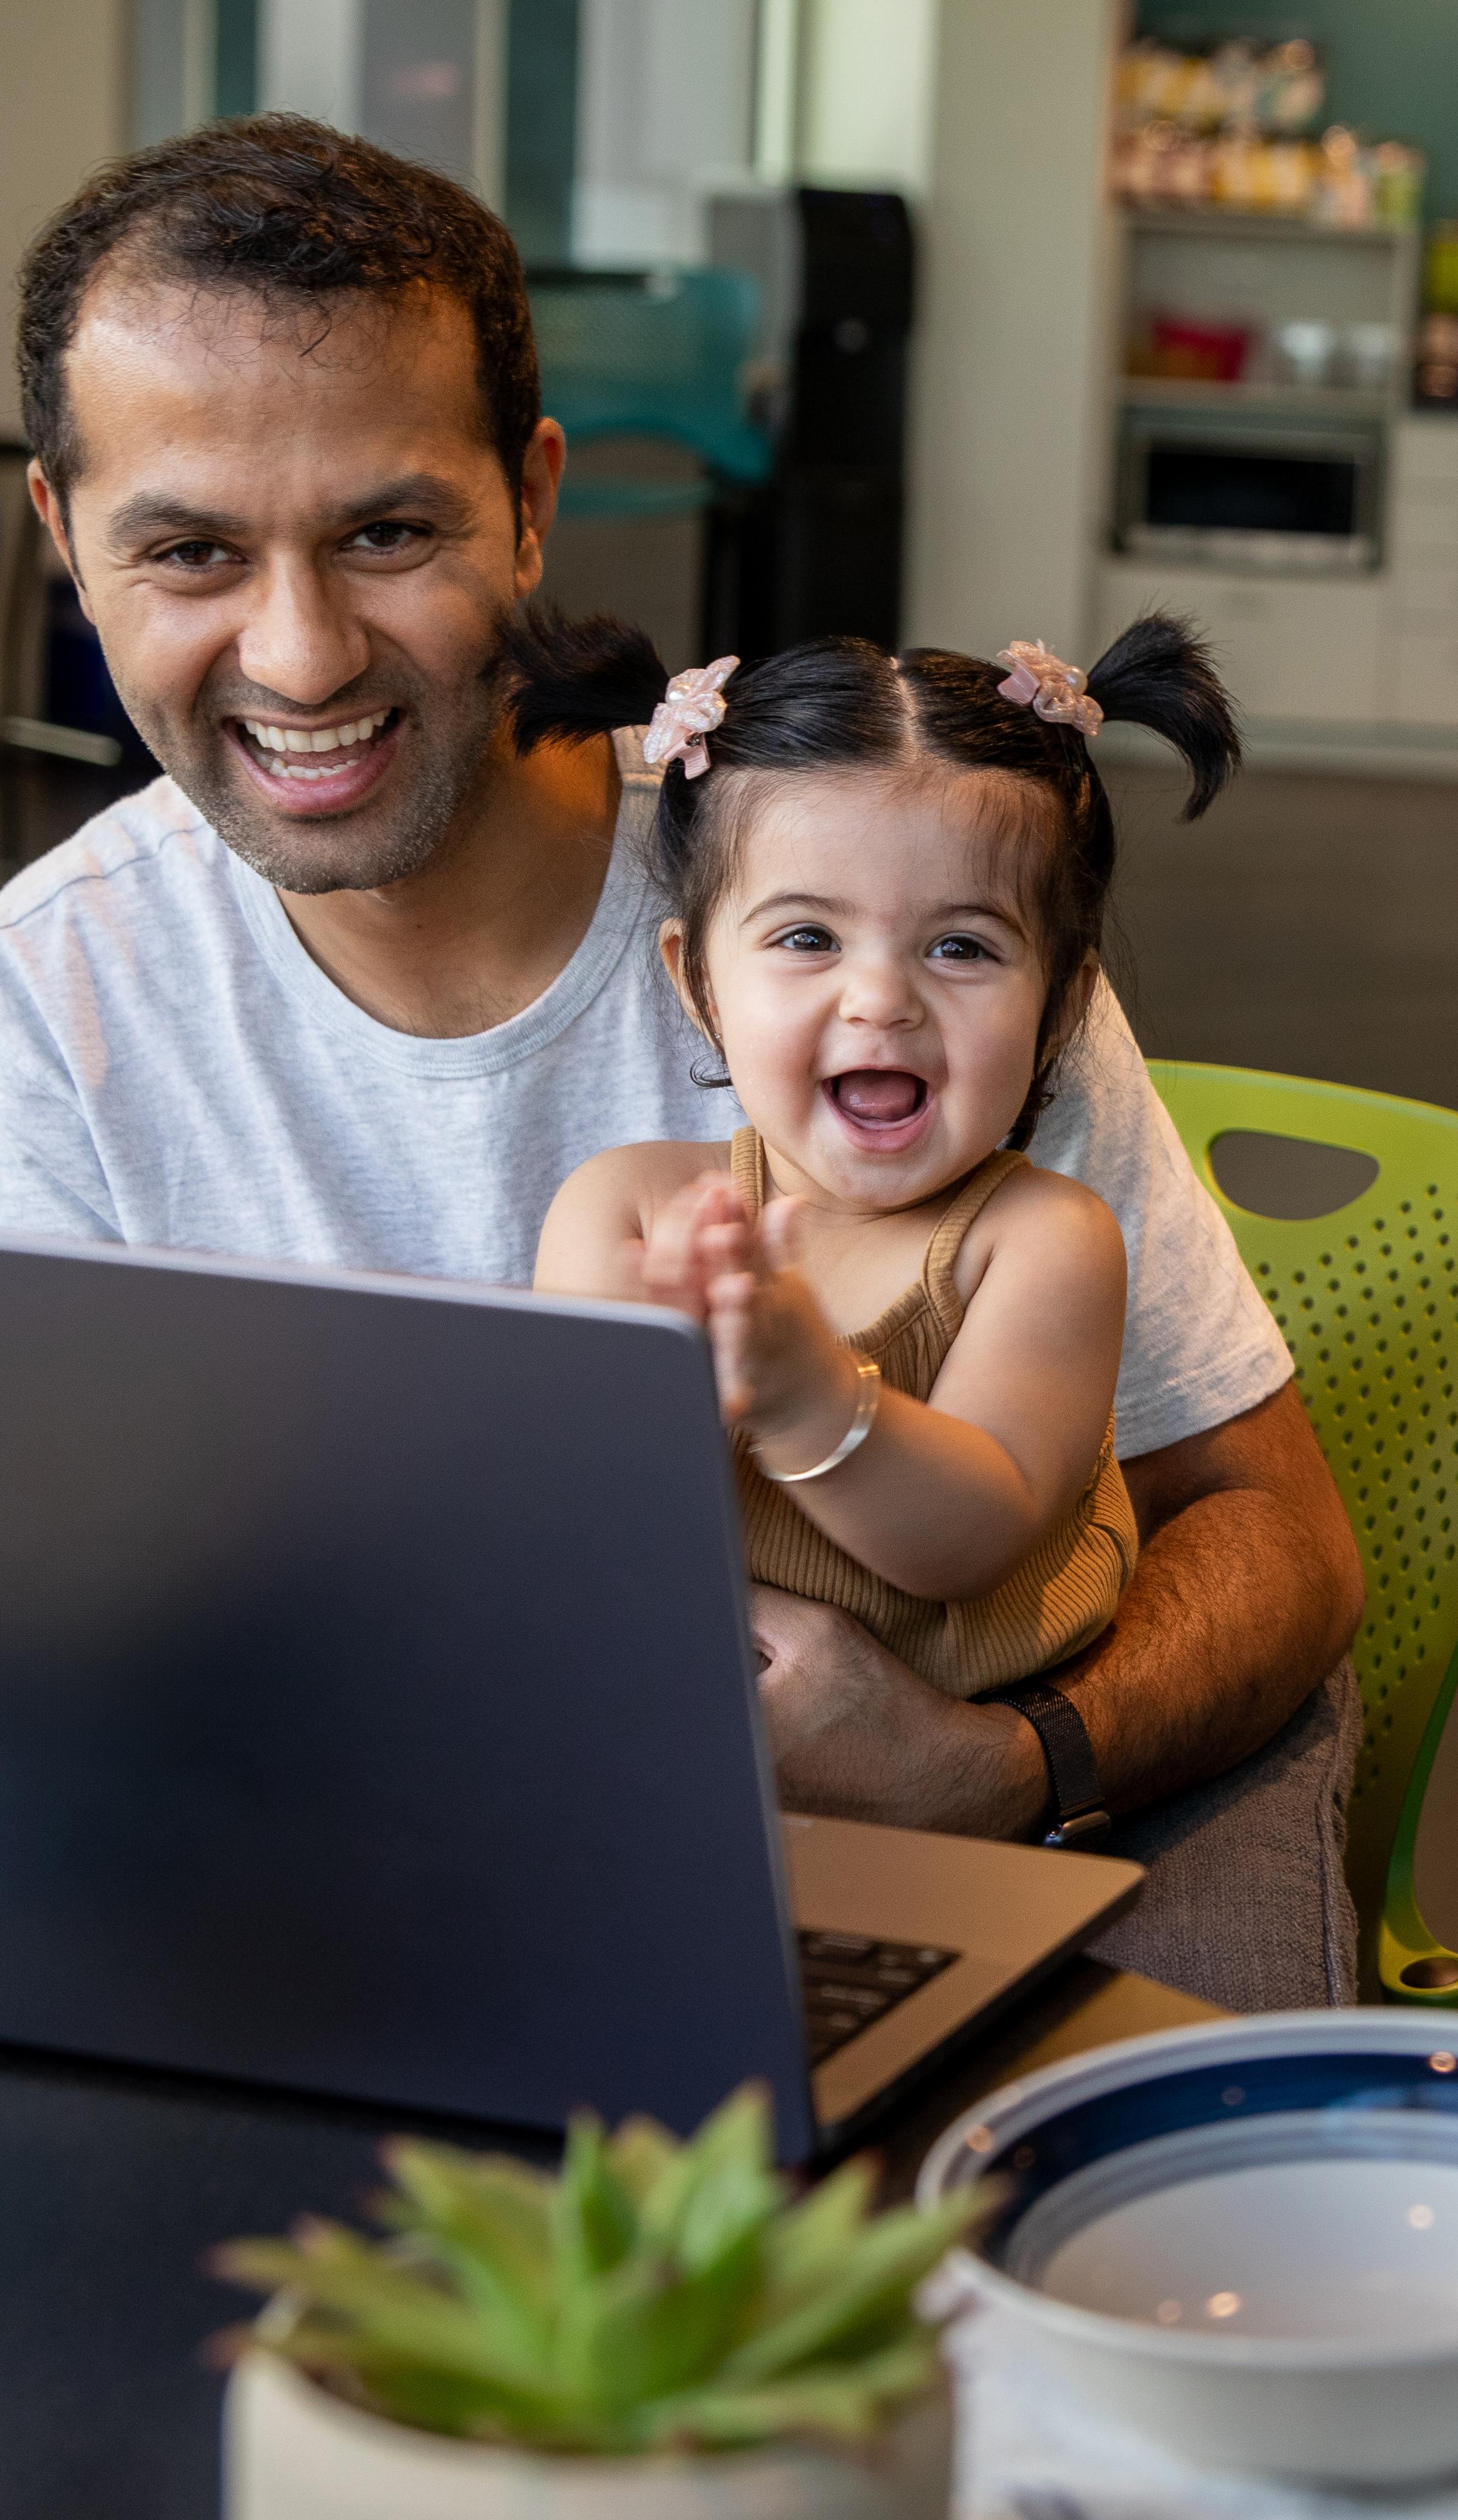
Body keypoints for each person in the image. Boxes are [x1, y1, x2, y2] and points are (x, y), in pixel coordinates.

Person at [0, 116, 1365, 2013]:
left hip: (1066, 1773)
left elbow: (1270, 1532)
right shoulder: (60, 992)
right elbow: (112, 1597)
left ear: (533, 502)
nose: (295, 655)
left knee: (1145, 2217)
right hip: (493, 1807)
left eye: (388, 532)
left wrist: (1000, 1774)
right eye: (189, 550)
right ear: (63, 536)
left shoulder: (876, 904)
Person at [527, 613, 1241, 1705]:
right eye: (807, 937)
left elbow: (964, 1545)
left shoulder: (1041, 1243)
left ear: (1062, 1008)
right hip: (700, 1721)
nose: (880, 1000)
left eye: (961, 946)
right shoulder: (629, 1213)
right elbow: (589, 1538)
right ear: (699, 986)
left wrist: (801, 1383)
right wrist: (663, 1406)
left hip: (974, 1763)